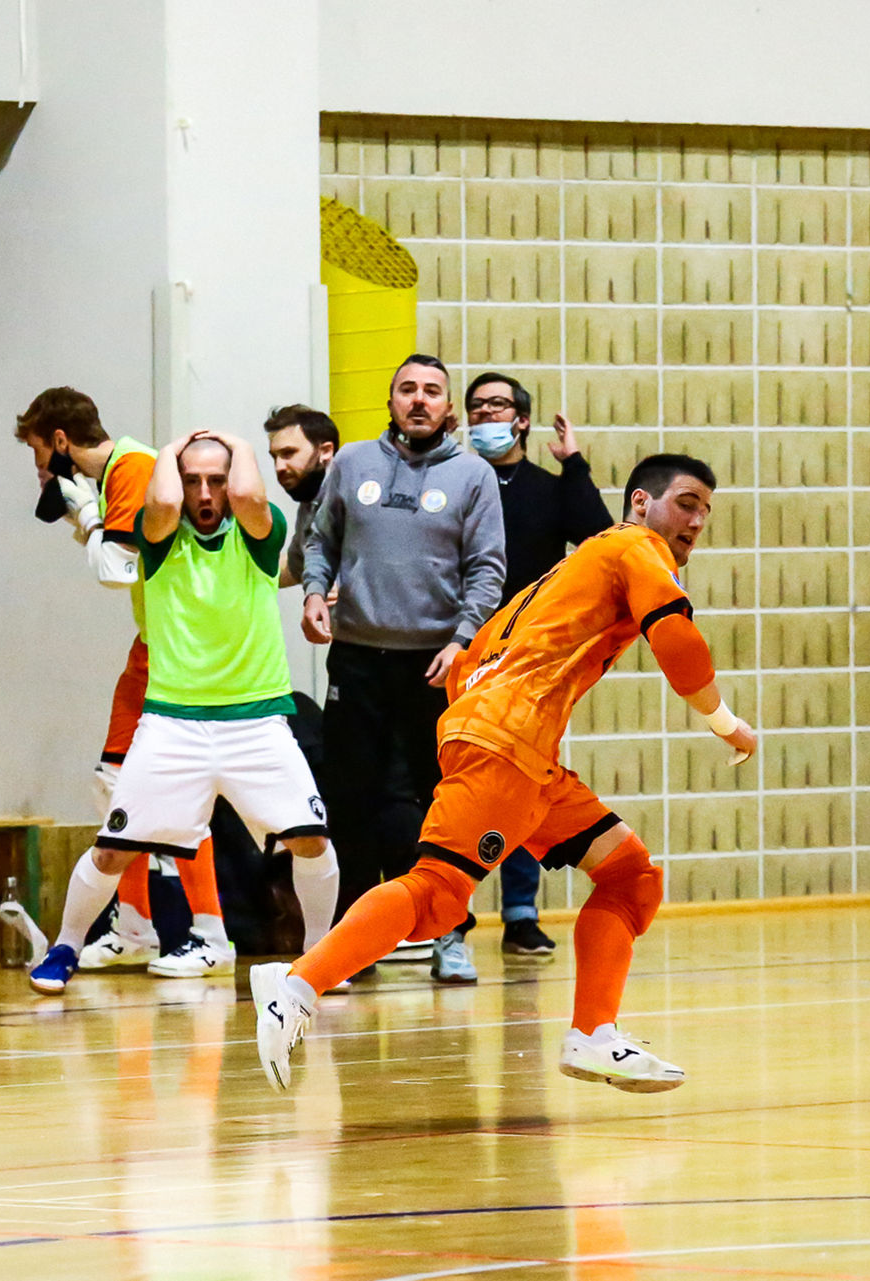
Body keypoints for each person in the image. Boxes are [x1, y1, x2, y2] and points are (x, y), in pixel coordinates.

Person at [254, 453, 757, 1093]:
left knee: (630, 876)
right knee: (437, 895)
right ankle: (296, 985)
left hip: (514, 748)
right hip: (508, 743)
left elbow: (468, 667)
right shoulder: (638, 547)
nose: (697, 520)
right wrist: (725, 723)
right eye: (686, 503)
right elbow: (677, 640)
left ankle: (593, 1035)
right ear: (640, 503)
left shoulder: (569, 571)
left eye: (706, 510)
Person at [30, 431, 341, 993]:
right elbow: (166, 501)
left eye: (216, 480)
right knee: (112, 850)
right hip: (172, 724)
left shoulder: (260, 533)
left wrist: (234, 442)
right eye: (192, 479)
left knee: (311, 841)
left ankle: (320, 956)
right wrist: (175, 450)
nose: (204, 492)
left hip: (257, 720)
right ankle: (65, 946)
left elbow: (249, 495)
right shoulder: (158, 536)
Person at [300, 355, 506, 985]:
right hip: (357, 658)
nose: (419, 399)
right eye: (407, 389)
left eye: (432, 391)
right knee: (350, 800)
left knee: (441, 803)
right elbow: (321, 540)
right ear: (390, 401)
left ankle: (449, 934)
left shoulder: (473, 475)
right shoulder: (352, 462)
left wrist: (463, 640)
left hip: (434, 665)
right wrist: (314, 592)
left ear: (448, 407)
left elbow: (488, 569)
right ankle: (354, 944)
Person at [16, 389, 232, 977]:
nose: (39, 469)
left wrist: (87, 514)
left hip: (181, 655)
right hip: (152, 647)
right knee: (114, 786)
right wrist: (87, 515)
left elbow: (117, 569)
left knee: (185, 798)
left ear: (61, 441)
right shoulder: (117, 476)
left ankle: (211, 932)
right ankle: (134, 925)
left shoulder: (133, 468)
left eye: (38, 453)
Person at [464, 372, 615, 958]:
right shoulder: (458, 481)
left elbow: (601, 539)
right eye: (476, 407)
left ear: (522, 419)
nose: (485, 414)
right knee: (457, 782)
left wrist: (574, 464)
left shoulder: (547, 489)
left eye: (497, 405)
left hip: (529, 656)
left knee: (525, 779)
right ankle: (448, 916)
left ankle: (521, 912)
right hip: (463, 648)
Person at [263, 404, 338, 589]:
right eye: (275, 457)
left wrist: (347, 588)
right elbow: (294, 568)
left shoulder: (355, 499)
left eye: (289, 453)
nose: (279, 467)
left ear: (326, 451)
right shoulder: (309, 503)